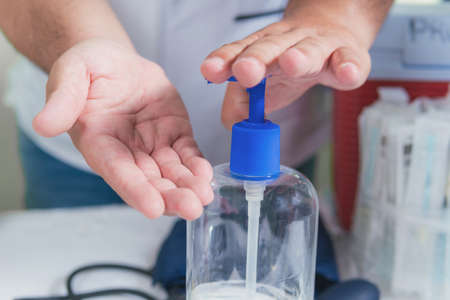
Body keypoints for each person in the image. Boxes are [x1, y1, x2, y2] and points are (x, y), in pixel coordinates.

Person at [0, 0, 392, 298]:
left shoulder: (294, 191)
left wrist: (335, 16)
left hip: (284, 100)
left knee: (284, 228)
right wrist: (83, 39)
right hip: (94, 123)